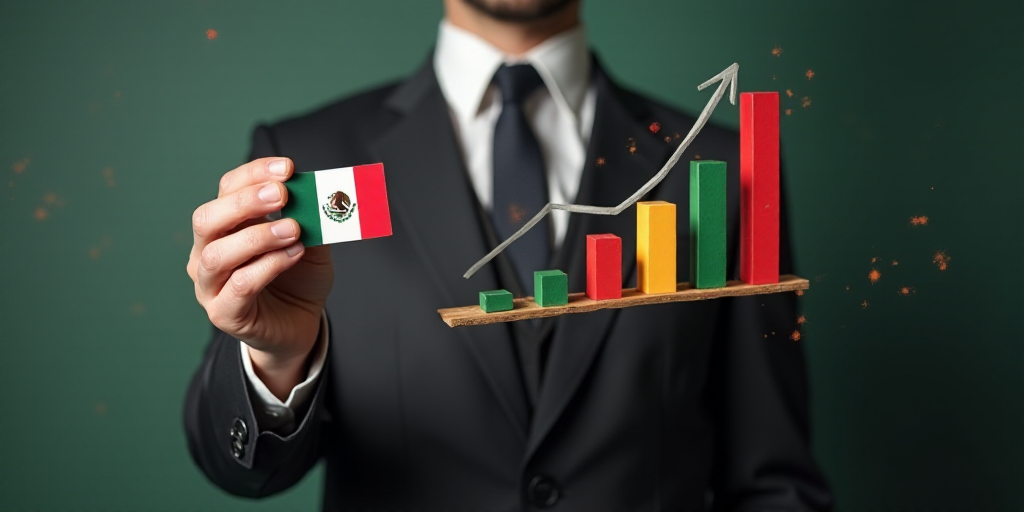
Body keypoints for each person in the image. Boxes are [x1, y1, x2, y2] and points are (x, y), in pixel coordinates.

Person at [183, 0, 833, 509]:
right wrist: (275, 358)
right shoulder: (308, 158)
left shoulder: (721, 168)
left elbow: (772, 480)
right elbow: (241, 469)